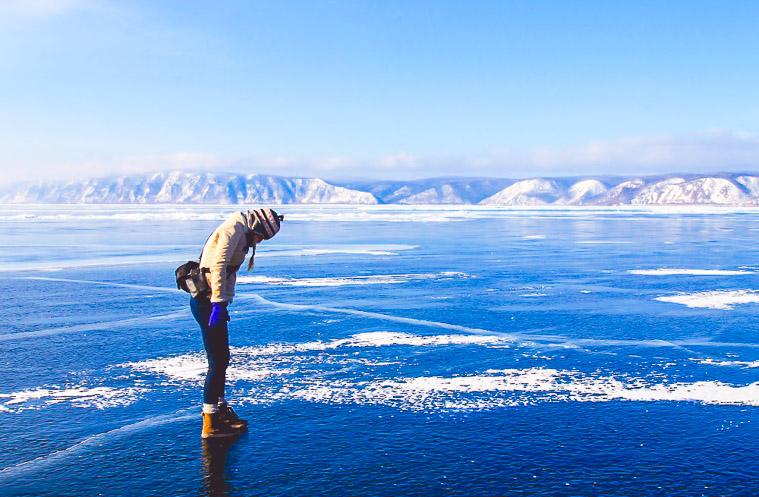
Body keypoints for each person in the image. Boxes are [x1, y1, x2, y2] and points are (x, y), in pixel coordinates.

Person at [190, 207, 283, 438]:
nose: (259, 242)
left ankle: (220, 411)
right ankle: (210, 423)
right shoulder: (233, 230)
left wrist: (221, 303)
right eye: (261, 237)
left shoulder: (241, 230)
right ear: (257, 227)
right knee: (217, 360)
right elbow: (218, 266)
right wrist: (218, 303)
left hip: (211, 302)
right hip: (207, 303)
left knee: (222, 358)